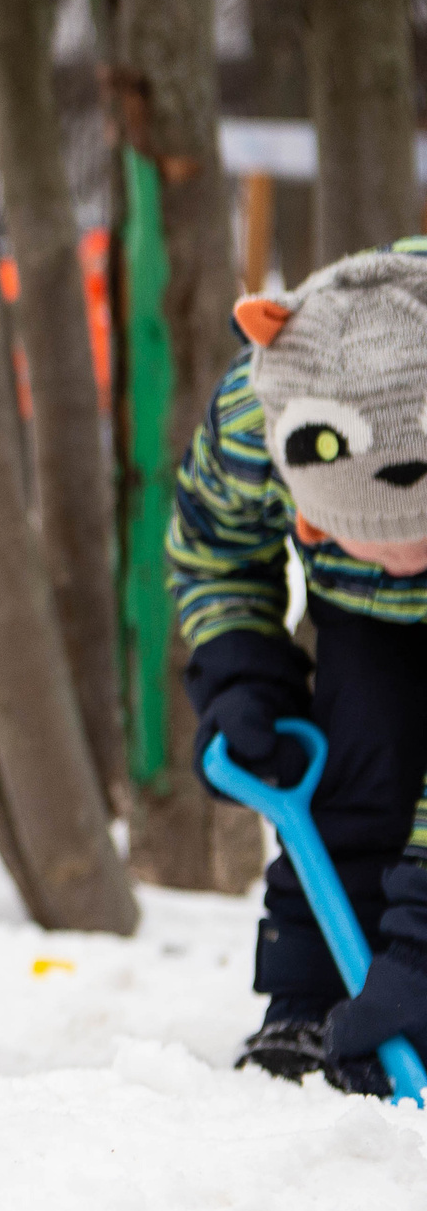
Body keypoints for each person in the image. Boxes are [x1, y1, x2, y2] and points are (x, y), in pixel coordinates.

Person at [169, 243, 427, 1095]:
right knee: (357, 763)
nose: (400, 558)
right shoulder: (260, 414)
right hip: (359, 620)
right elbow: (213, 549)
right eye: (371, 532)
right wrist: (241, 672)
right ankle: (310, 1001)